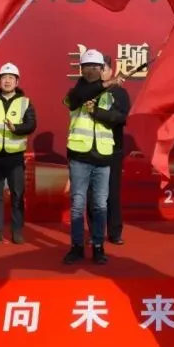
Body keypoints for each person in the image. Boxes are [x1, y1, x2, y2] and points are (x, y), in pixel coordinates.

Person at [63, 48, 125, 265]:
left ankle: (98, 246)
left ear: (101, 69)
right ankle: (77, 247)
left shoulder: (112, 95)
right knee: (78, 204)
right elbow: (78, 98)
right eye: (87, 66)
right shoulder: (74, 93)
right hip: (80, 156)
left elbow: (119, 117)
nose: (91, 70)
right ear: (81, 69)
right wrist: (107, 84)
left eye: (95, 67)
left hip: (103, 157)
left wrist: (97, 112)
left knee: (100, 205)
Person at [0, 63, 37, 245]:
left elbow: (31, 125)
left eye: (11, 78)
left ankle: (17, 231)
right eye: (4, 77)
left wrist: (16, 128)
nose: (7, 81)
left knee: (17, 194)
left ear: (17, 81)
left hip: (15, 157)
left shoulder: (25, 102)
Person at [86, 56, 131, 245]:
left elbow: (121, 117)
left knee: (112, 192)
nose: (99, 73)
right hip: (90, 150)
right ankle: (95, 232)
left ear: (110, 71)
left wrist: (97, 112)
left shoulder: (119, 93)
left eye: (102, 69)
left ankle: (115, 232)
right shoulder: (86, 92)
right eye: (95, 69)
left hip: (113, 150)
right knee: (91, 194)